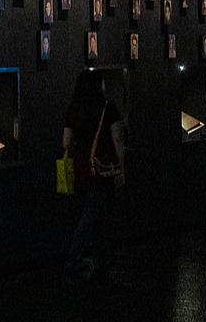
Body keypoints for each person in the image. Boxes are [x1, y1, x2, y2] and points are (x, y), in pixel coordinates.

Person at [61, 72, 127, 284]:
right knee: (91, 211)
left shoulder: (74, 108)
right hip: (100, 166)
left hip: (80, 164)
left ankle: (104, 256)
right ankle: (74, 258)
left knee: (94, 208)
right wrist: (121, 167)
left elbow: (66, 142)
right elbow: (118, 139)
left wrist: (80, 147)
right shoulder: (108, 108)